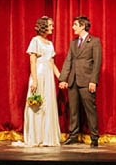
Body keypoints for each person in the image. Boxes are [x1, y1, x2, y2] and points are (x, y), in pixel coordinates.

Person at [59, 15, 101, 148]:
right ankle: (73, 136)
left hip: (87, 81)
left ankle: (94, 137)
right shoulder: (73, 43)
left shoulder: (94, 41)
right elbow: (68, 61)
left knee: (90, 110)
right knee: (73, 110)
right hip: (73, 81)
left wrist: (93, 81)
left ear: (83, 26)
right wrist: (63, 79)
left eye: (75, 25)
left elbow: (97, 63)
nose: (73, 27)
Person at [21, 15, 61, 147]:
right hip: (38, 74)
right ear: (44, 26)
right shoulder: (35, 41)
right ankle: (35, 137)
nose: (52, 28)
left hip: (48, 77)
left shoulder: (50, 43)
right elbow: (32, 61)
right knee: (37, 105)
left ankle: (46, 137)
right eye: (50, 25)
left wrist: (60, 78)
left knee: (47, 105)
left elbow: (52, 62)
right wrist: (35, 80)